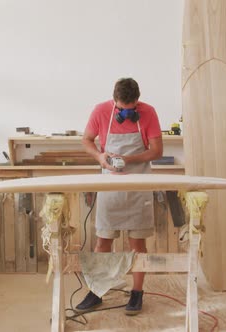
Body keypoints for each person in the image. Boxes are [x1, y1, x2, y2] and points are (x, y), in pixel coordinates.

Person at [78, 78, 163, 315]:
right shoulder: (101, 111)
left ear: (138, 100)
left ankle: (137, 294)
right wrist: (101, 157)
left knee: (137, 243)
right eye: (121, 107)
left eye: (131, 107)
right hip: (110, 185)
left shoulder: (148, 113)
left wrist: (129, 159)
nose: (126, 111)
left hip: (139, 185)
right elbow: (86, 140)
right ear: (114, 100)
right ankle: (97, 291)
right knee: (103, 241)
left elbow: (157, 151)